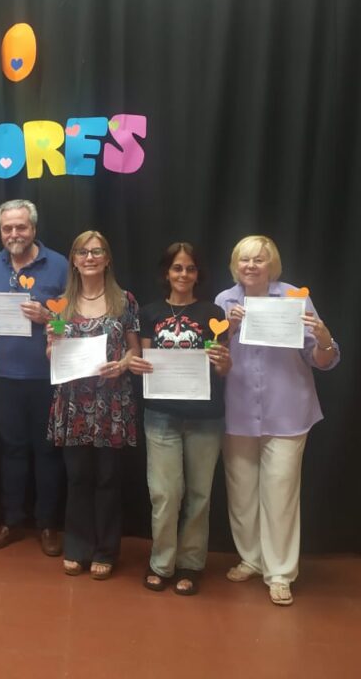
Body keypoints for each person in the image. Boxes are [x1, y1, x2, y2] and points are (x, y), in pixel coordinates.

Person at [215, 235, 339, 606]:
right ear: (235, 264)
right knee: (241, 493)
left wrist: (324, 338)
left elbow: (319, 358)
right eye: (244, 259)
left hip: (288, 411)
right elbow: (212, 357)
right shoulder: (225, 301)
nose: (250, 266)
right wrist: (228, 329)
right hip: (236, 410)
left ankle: (281, 573)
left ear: (273, 265)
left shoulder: (293, 298)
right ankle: (251, 559)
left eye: (259, 260)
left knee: (281, 494)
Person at [128, 243, 231, 595]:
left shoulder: (213, 312)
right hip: (161, 415)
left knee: (200, 495)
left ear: (198, 274)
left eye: (189, 269)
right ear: (166, 273)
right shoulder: (150, 312)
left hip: (206, 417)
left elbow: (224, 367)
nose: (183, 275)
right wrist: (137, 364)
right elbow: (141, 358)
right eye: (177, 268)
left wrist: (223, 364)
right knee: (165, 493)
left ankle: (191, 564)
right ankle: (162, 562)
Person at [47, 231, 140, 580]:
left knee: (107, 479)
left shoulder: (124, 300)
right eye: (83, 252)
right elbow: (51, 350)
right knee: (78, 478)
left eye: (97, 251)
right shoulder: (59, 304)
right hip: (72, 404)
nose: (89, 257)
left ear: (107, 258)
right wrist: (53, 348)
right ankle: (78, 547)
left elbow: (136, 350)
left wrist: (124, 364)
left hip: (111, 402)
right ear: (73, 259)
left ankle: (106, 550)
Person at [0, 200, 68, 556]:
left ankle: (48, 525)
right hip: (5, 377)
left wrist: (49, 317)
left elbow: (74, 322)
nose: (14, 234)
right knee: (12, 450)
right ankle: (12, 521)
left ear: (34, 228)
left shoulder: (60, 265)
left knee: (48, 452)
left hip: (49, 376)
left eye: (21, 227)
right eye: (7, 229)